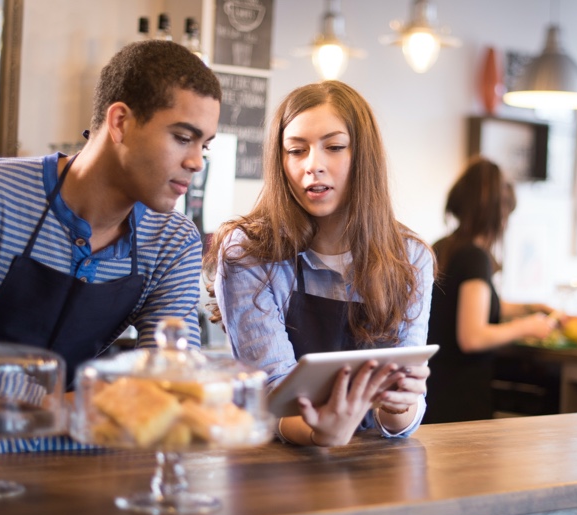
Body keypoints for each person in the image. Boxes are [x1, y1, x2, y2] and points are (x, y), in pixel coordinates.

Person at [0, 40, 222, 457]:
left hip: (70, 471)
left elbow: (170, 377)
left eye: (204, 145)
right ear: (120, 123)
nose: (197, 162)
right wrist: (45, 403)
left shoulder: (173, 242)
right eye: (183, 138)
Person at [205, 81, 434, 447]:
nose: (313, 166)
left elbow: (403, 419)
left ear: (364, 156)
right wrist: (319, 433)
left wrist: (398, 406)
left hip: (370, 466)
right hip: (272, 461)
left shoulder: (409, 257)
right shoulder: (248, 251)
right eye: (296, 150)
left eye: (335, 147)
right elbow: (270, 394)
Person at [424, 156, 558, 423]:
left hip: (434, 394)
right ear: (497, 213)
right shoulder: (475, 257)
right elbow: (472, 336)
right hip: (459, 403)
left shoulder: (443, 247)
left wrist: (531, 307)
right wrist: (527, 327)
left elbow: (468, 307)